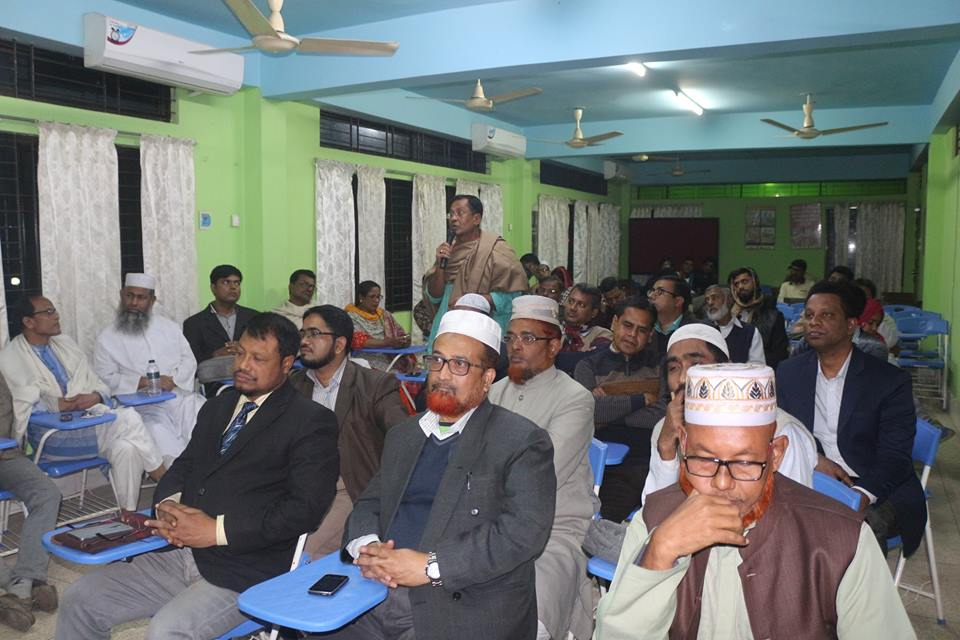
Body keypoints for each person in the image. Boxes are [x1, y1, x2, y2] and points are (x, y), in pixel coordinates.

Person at [56, 313, 340, 640]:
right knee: (80, 600)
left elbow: (305, 509)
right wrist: (168, 505)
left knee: (166, 632)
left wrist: (214, 531)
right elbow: (185, 466)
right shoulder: (219, 407)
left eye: (258, 358)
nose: (243, 365)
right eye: (240, 353)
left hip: (247, 569)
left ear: (288, 363)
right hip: (180, 551)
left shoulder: (310, 422)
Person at [593, 362, 915, 640]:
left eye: (745, 462)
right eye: (704, 459)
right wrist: (658, 554)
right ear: (684, 445)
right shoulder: (654, 519)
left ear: (775, 454)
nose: (722, 483)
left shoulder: (842, 540)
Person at [332, 309, 556, 640]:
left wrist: (428, 566)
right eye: (437, 361)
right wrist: (369, 547)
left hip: (463, 601)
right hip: (376, 589)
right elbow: (370, 502)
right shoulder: (405, 434)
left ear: (488, 378)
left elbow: (522, 534)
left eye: (460, 364)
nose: (443, 374)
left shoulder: (521, 440)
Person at [776, 280, 925, 555]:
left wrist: (860, 495)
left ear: (851, 325)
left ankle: (856, 597)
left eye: (827, 315)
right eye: (809, 315)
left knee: (853, 528)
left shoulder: (888, 381)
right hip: (813, 476)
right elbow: (782, 431)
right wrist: (814, 459)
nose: (814, 322)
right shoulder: (788, 373)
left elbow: (895, 457)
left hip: (877, 486)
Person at [488, 296, 595, 640]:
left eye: (529, 338)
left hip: (553, 531)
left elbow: (539, 473)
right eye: (511, 337)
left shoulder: (575, 398)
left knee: (527, 620)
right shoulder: (492, 392)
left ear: (555, 345)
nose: (516, 347)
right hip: (487, 524)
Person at [0, 296, 166, 511]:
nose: (56, 316)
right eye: (48, 312)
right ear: (28, 322)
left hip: (88, 426)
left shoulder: (65, 345)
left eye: (54, 310)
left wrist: (95, 396)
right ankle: (165, 480)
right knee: (129, 418)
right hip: (52, 438)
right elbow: (18, 403)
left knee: (127, 448)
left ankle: (128, 515)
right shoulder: (10, 358)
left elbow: (97, 383)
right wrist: (54, 404)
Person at [643, 324, 817, 504]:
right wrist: (666, 448)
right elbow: (654, 510)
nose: (683, 378)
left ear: (724, 367)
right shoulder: (665, 430)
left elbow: (791, 513)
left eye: (696, 364)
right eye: (674, 368)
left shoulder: (781, 430)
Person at [289, 305, 408, 557]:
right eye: (302, 334)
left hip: (348, 487)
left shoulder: (374, 385)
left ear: (339, 343)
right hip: (296, 487)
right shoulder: (292, 385)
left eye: (313, 334)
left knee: (300, 555)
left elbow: (404, 438)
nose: (304, 341)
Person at [93, 273, 206, 467]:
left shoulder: (169, 327)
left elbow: (189, 360)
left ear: (152, 300)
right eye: (129, 296)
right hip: (142, 407)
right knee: (161, 436)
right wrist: (143, 382)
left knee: (204, 420)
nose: (134, 303)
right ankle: (178, 486)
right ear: (122, 295)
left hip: (180, 397)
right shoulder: (107, 337)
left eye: (141, 297)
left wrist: (174, 380)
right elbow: (104, 377)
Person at [575, 297, 665, 521]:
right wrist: (640, 400)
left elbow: (662, 415)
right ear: (614, 323)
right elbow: (587, 412)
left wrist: (610, 410)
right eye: (627, 325)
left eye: (641, 330)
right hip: (601, 464)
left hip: (647, 461)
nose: (632, 335)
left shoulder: (660, 366)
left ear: (650, 334)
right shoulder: (587, 366)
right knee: (597, 519)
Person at [422, 194, 528, 347]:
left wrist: (477, 301)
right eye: (451, 214)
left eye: (460, 213)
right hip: (447, 326)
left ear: (476, 219)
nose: (453, 218)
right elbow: (434, 297)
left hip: (481, 330)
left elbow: (515, 297)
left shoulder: (497, 250)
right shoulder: (448, 250)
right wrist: (440, 266)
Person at [0, 372, 61, 633]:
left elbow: (4, 413)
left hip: (4, 455)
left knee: (47, 493)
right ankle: (17, 586)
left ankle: (26, 578)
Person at [183, 264, 258, 366]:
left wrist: (244, 350)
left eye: (237, 283)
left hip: (250, 377)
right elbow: (189, 363)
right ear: (213, 288)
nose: (233, 287)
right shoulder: (194, 324)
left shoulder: (254, 318)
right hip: (213, 380)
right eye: (226, 282)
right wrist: (214, 355)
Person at [728, 267, 789, 368]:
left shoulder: (773, 316)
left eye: (745, 282)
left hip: (761, 371)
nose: (740, 287)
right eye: (736, 284)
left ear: (755, 282)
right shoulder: (730, 314)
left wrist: (749, 366)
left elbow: (779, 355)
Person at [345, 281, 411, 372]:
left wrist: (404, 339)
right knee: (396, 379)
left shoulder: (384, 314)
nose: (376, 300)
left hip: (392, 357)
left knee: (416, 374)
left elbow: (400, 333)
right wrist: (386, 343)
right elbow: (358, 341)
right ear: (361, 297)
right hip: (367, 360)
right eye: (372, 297)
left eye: (378, 297)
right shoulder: (351, 316)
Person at [703, 284, 764, 364]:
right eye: (707, 300)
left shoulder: (750, 332)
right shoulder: (703, 331)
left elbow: (758, 368)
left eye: (715, 297)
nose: (710, 303)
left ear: (729, 300)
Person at [647, 274, 694, 358]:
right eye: (652, 291)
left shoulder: (695, 331)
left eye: (660, 292)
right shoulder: (645, 327)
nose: (651, 296)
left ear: (678, 301)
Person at [561, 284, 612, 352]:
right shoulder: (555, 330)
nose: (572, 307)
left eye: (581, 305)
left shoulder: (602, 334)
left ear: (593, 312)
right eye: (570, 301)